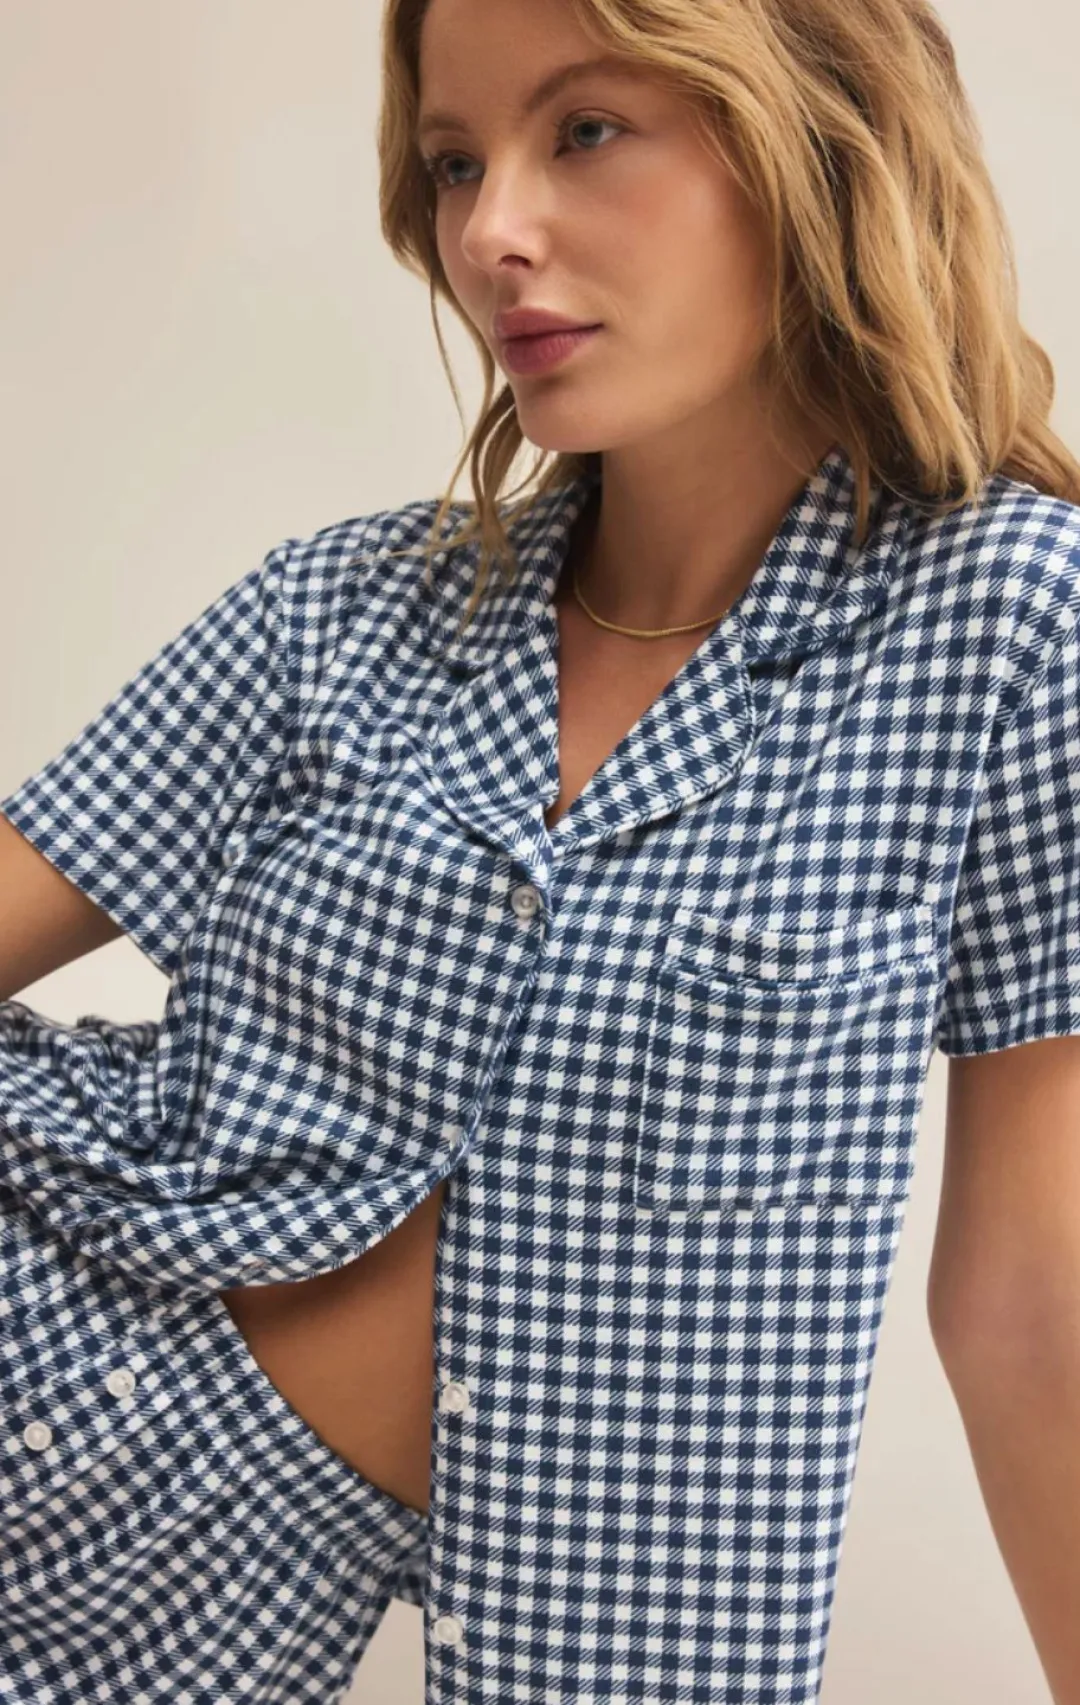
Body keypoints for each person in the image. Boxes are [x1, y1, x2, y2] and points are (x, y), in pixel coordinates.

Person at [2, 0, 1079, 1698]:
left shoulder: (1008, 631)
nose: (490, 230)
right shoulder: (339, 610)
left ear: (814, 138)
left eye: (584, 130)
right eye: (453, 164)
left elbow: (1033, 1304)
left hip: (210, 1640)